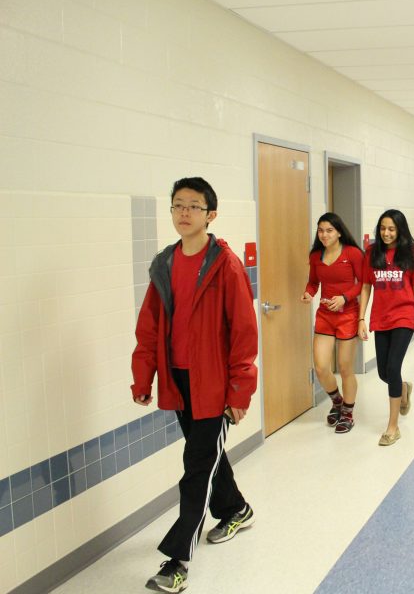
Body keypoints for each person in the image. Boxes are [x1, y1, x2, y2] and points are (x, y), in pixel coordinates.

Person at [132, 177, 258, 593]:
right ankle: (236, 508)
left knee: (195, 469)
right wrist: (143, 374)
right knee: (206, 458)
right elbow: (149, 327)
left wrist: (240, 391)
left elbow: (243, 332)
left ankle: (177, 561)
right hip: (180, 381)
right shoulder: (164, 265)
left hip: (216, 385)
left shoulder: (225, 265)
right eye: (178, 205)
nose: (184, 213)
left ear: (211, 215)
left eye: (193, 206)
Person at [358, 209, 414, 446]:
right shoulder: (371, 252)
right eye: (382, 228)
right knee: (383, 372)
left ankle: (392, 427)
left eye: (391, 228)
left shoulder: (411, 252)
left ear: (400, 230)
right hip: (381, 317)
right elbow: (366, 287)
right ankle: (403, 388)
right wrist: (361, 319)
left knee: (392, 366)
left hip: (404, 315)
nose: (386, 233)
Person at [300, 213, 365, 434]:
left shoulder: (353, 253)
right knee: (320, 367)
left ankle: (348, 412)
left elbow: (363, 283)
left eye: (329, 230)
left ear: (338, 231)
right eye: (320, 230)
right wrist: (308, 294)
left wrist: (344, 297)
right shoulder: (316, 255)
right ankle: (337, 401)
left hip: (347, 314)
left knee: (346, 367)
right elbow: (312, 282)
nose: (324, 234)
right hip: (325, 316)